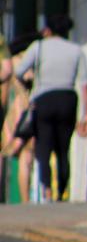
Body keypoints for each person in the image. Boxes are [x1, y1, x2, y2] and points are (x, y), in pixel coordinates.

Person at [13, 15, 87, 202]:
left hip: (44, 100)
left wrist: (28, 85)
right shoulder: (76, 50)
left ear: (48, 30)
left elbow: (19, 72)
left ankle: (47, 190)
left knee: (43, 149)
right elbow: (84, 84)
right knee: (63, 149)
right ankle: (62, 192)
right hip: (67, 99)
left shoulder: (38, 47)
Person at [1, 34, 38, 202]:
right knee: (28, 155)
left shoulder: (13, 61)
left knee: (15, 155)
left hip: (15, 111)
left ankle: (22, 199)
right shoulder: (32, 60)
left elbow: (5, 91)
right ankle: (28, 199)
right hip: (31, 109)